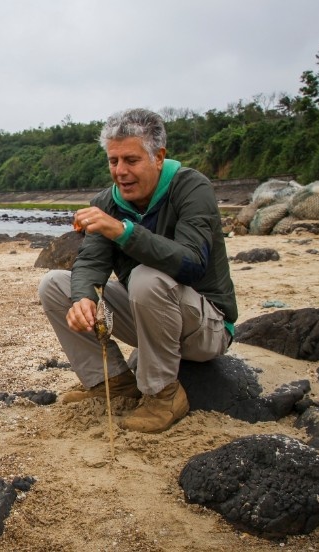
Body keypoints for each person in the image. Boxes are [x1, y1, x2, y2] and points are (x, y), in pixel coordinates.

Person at [38, 108, 238, 433]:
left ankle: (163, 394)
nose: (120, 171)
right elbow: (91, 262)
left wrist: (124, 232)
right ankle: (113, 381)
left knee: (146, 276)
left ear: (158, 157)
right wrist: (83, 299)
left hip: (206, 327)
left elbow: (191, 262)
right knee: (55, 285)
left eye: (131, 160)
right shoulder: (107, 201)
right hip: (152, 321)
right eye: (113, 161)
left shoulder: (191, 187)